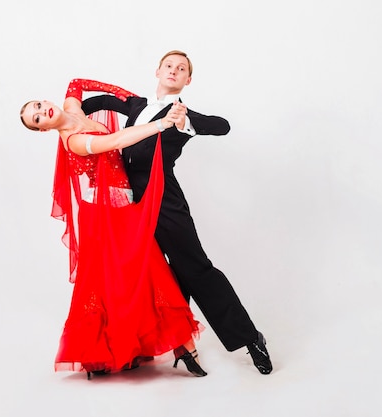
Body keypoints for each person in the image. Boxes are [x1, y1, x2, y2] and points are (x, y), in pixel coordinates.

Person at [81, 51, 273, 375]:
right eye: (169, 65)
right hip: (128, 203)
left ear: (188, 80)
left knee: (194, 269)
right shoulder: (135, 105)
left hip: (164, 202)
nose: (174, 70)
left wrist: (186, 123)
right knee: (136, 276)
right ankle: (131, 351)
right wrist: (69, 114)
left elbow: (222, 126)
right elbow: (95, 102)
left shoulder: (181, 113)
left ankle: (250, 338)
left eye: (181, 68)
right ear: (157, 71)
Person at [20, 78, 207, 379]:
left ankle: (178, 348)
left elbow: (76, 82)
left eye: (39, 105)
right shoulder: (73, 140)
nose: (43, 111)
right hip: (103, 213)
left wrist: (122, 94)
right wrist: (159, 125)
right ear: (43, 129)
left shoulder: (71, 106)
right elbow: (118, 141)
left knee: (147, 269)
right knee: (125, 276)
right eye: (37, 117)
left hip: (122, 203)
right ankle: (115, 352)